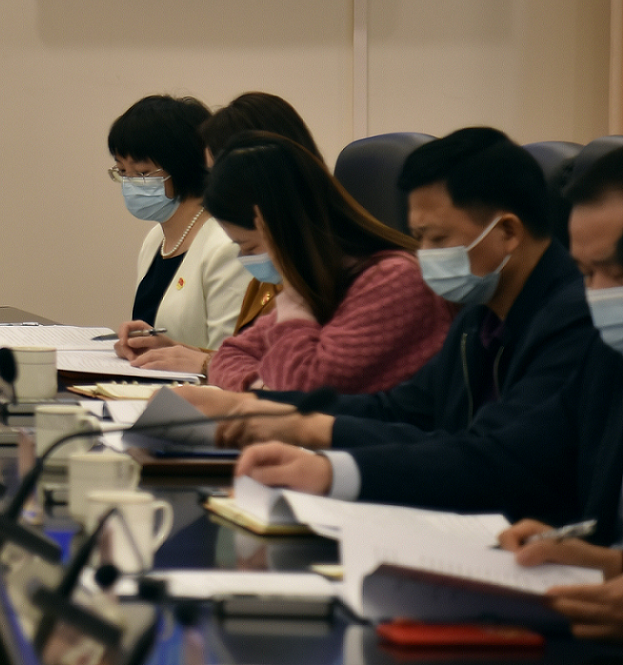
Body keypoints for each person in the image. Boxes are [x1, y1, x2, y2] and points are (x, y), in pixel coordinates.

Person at [226, 128, 593, 512]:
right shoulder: (480, 315)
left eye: (437, 238)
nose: (423, 254)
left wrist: (328, 459)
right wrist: (258, 406)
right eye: (419, 237)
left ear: (508, 231)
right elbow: (404, 410)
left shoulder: (575, 320)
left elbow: (498, 457)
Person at [199, 132, 448, 393]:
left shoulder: (394, 281)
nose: (245, 259)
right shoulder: (325, 283)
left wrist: (293, 294)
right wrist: (260, 385)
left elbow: (301, 389)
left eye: (250, 247)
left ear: (286, 230)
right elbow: (229, 355)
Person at [494, 147, 623, 639]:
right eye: (587, 274)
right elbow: (518, 454)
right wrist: (603, 561)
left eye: (618, 274)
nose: (600, 295)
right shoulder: (608, 355)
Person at [109, 95, 246, 368]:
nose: (130, 184)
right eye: (122, 171)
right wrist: (136, 345)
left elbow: (233, 360)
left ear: (182, 167)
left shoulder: (226, 245)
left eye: (143, 173)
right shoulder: (156, 239)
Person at [197, 92, 323, 343]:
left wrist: (201, 361)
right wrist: (182, 352)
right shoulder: (265, 266)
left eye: (220, 173)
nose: (214, 187)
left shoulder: (326, 275)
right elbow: (243, 352)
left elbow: (294, 363)